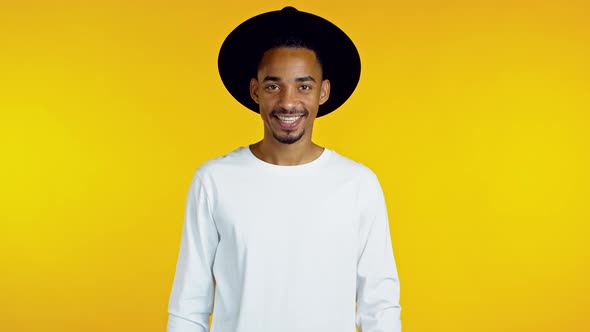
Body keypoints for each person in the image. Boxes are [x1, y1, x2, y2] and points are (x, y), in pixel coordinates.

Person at [166, 7, 401, 332]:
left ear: (323, 92)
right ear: (255, 91)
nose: (288, 101)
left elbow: (380, 306)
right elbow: (188, 306)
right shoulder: (214, 181)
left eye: (303, 86)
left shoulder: (357, 184)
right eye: (274, 86)